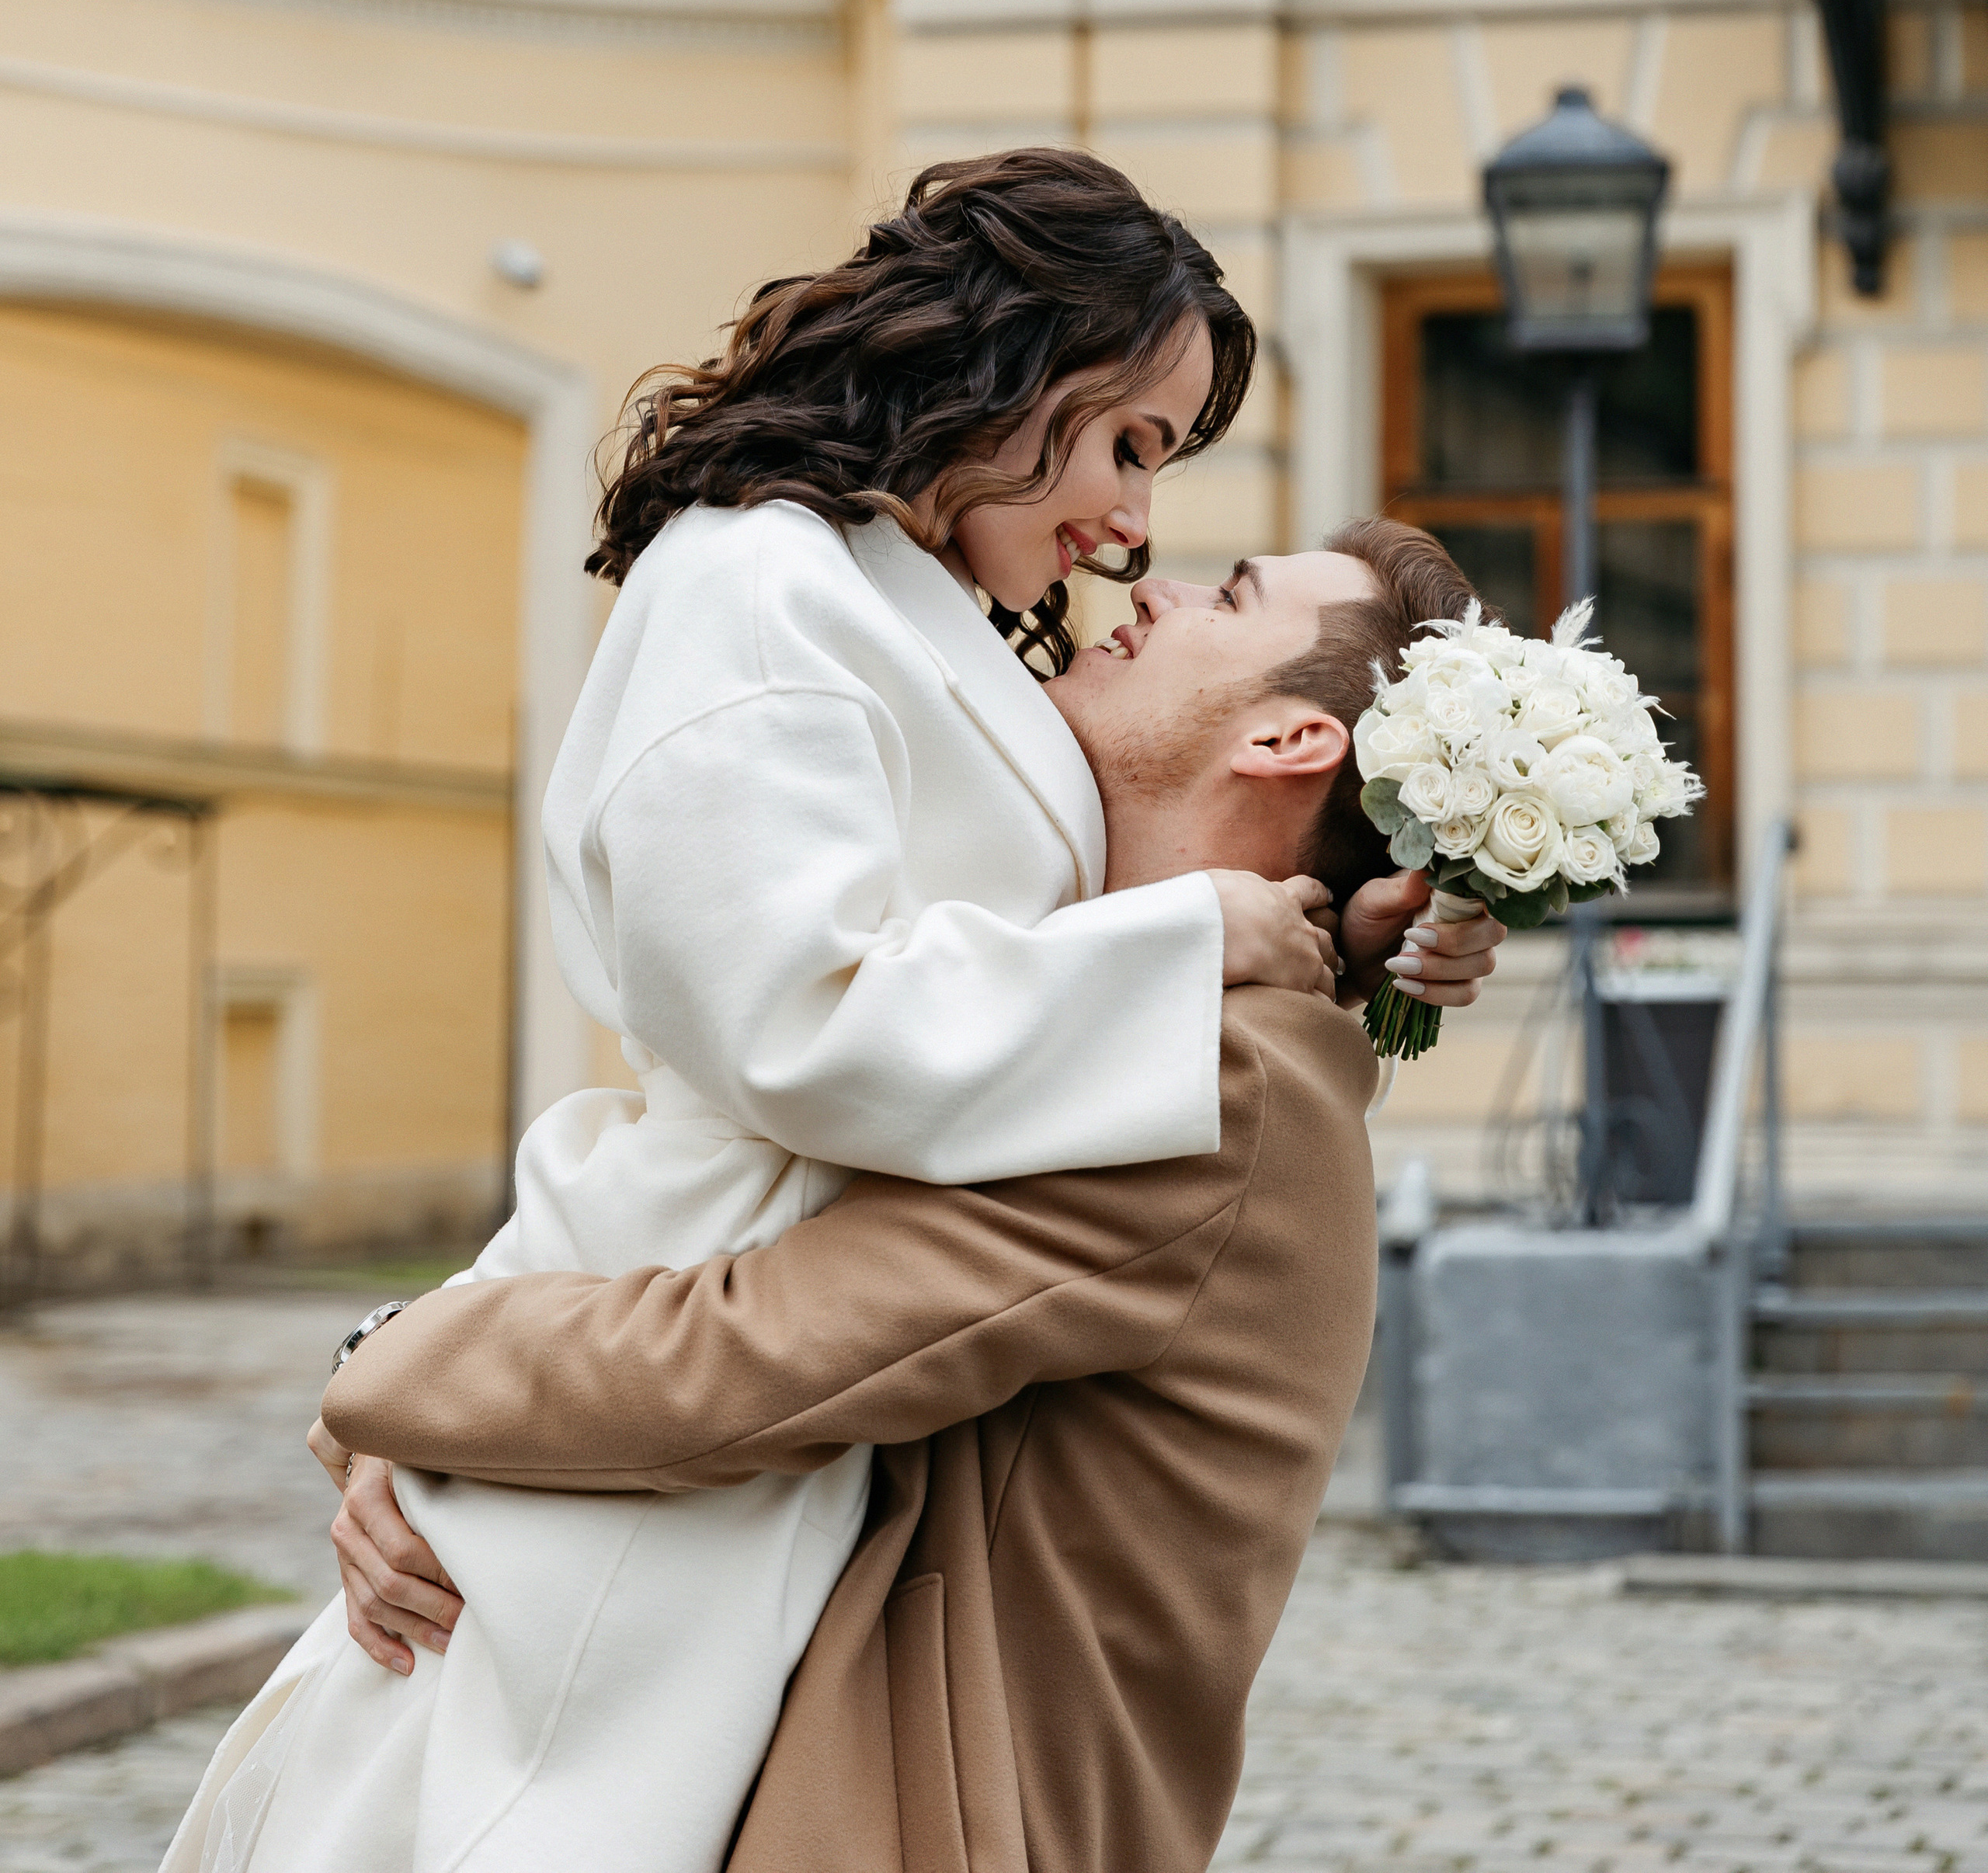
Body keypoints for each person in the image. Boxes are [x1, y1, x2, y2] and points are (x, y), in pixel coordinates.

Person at [163, 156, 1451, 1873]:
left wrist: (1346, 925)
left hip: (748, 1412)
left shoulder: (927, 613)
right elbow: (796, 1030)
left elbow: (1038, 975)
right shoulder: (760, 590)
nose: (1136, 534)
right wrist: (403, 1376)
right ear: (1012, 370)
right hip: (663, 1366)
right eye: (1130, 444)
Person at [314, 524, 1504, 1873]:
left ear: (1291, 744)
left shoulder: (1218, 1083)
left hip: (938, 1815)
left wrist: (389, 1362)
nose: (1150, 579)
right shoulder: (1136, 1013)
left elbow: (741, 1359)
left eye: (1230, 597)